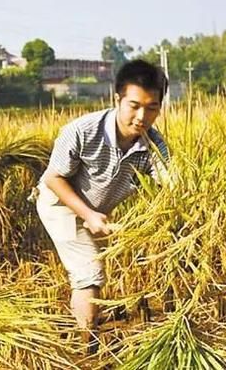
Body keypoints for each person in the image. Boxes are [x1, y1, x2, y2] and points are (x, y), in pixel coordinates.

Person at [35, 59, 171, 354]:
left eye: (152, 108)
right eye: (134, 105)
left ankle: (81, 327)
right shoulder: (82, 131)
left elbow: (172, 183)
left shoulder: (154, 145)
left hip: (96, 211)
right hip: (59, 204)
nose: (141, 117)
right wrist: (88, 214)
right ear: (117, 98)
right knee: (91, 273)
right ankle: (84, 349)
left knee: (87, 269)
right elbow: (54, 178)